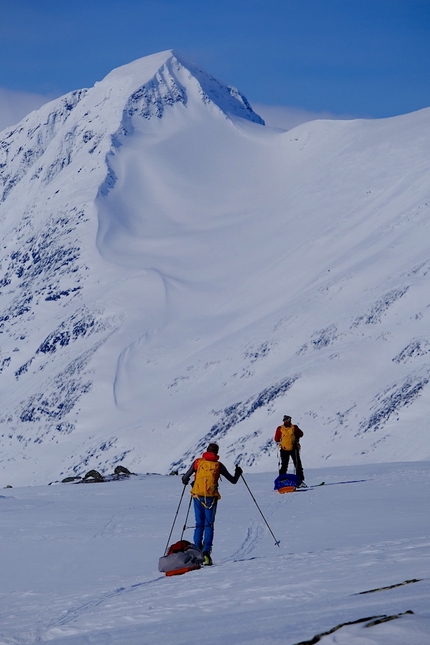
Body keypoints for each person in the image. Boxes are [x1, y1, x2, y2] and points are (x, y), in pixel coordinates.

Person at [181, 443, 242, 565]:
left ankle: (196, 550)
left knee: (199, 524)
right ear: (217, 453)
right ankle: (206, 553)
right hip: (211, 499)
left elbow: (184, 478)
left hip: (197, 496)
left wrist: (190, 481)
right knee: (209, 524)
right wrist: (238, 473)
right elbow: (233, 481)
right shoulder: (218, 465)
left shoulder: (198, 463)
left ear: (207, 451)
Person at [274, 415, 306, 484]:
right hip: (294, 448)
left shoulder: (280, 428)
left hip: (284, 449)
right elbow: (301, 434)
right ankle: (300, 480)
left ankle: (282, 480)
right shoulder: (294, 427)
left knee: (284, 465)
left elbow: (276, 439)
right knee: (297, 464)